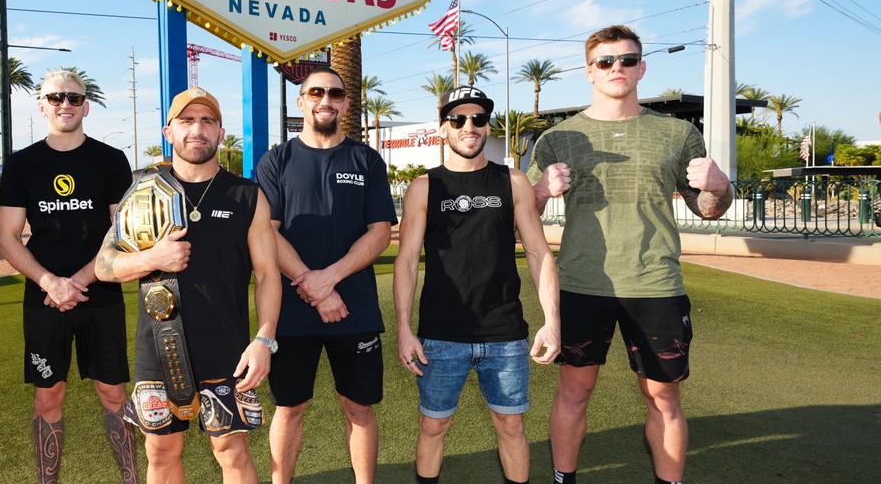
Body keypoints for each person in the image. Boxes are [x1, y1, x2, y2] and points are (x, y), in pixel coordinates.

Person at [527, 25, 733, 484]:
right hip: (582, 284)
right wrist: (541, 190)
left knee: (663, 398)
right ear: (588, 72)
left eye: (627, 59)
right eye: (605, 62)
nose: (616, 68)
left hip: (655, 285)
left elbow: (709, 208)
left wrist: (720, 186)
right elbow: (526, 218)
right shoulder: (558, 138)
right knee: (573, 393)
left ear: (642, 67)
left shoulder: (678, 133)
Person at [95, 86, 280, 484]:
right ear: (168, 131)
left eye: (207, 121)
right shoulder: (141, 192)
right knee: (161, 452)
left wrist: (264, 341)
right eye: (187, 121)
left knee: (231, 450)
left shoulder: (247, 195)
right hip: (158, 346)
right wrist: (152, 259)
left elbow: (268, 275)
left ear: (219, 131)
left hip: (227, 347)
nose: (197, 129)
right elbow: (104, 267)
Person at [394, 85, 561, 484]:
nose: (469, 126)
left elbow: (539, 254)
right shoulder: (424, 188)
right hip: (440, 335)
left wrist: (552, 321)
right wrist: (404, 329)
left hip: (504, 334)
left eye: (478, 118)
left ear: (487, 127)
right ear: (443, 129)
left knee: (512, 427)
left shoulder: (514, 183)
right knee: (433, 427)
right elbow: (406, 262)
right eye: (458, 119)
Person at [255, 66, 397, 484]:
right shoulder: (276, 161)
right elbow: (267, 233)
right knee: (289, 408)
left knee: (359, 408)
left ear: (346, 104)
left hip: (355, 310)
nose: (326, 100)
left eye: (335, 93)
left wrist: (329, 278)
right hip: (291, 311)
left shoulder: (366, 160)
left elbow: (379, 233)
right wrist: (314, 287)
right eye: (316, 92)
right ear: (301, 102)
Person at [0, 69, 137, 483]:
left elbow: (122, 232)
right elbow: (7, 238)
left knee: (113, 393)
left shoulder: (111, 160)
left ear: (86, 106)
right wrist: (50, 283)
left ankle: (130, 478)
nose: (65, 105)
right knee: (48, 395)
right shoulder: (22, 164)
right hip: (44, 300)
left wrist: (77, 280)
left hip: (102, 294)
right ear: (42, 106)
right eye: (56, 98)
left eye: (74, 98)